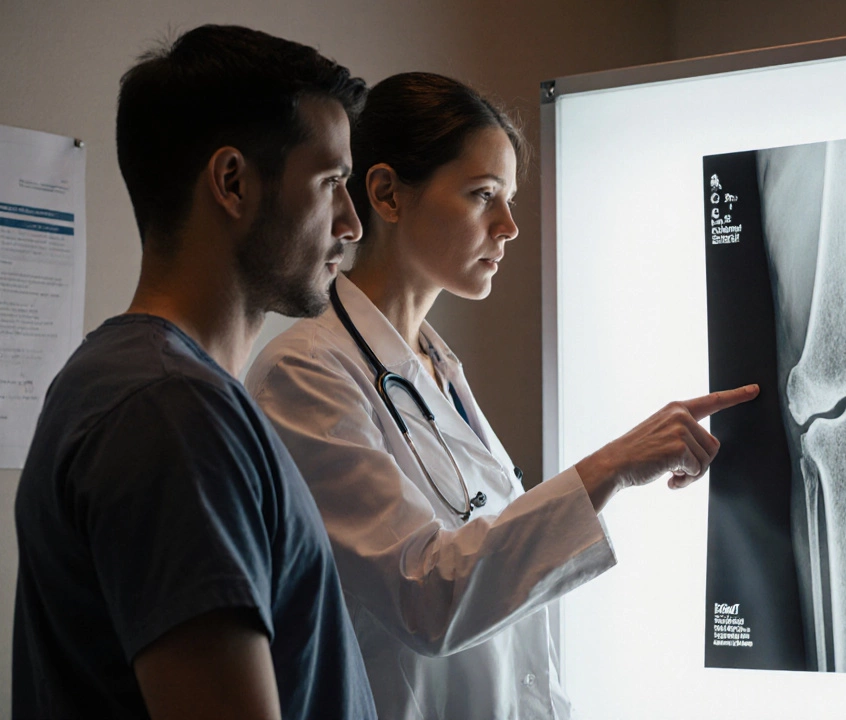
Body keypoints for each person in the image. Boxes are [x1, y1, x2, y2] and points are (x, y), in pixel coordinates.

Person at [244, 72, 757, 720]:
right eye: (483, 195)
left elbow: (505, 615)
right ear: (387, 194)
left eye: (508, 199)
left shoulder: (435, 370)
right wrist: (612, 466)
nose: (509, 226)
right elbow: (427, 600)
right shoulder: (304, 374)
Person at [12, 25, 376, 719]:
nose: (351, 223)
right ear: (232, 183)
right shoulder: (170, 410)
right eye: (331, 183)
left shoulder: (121, 383)